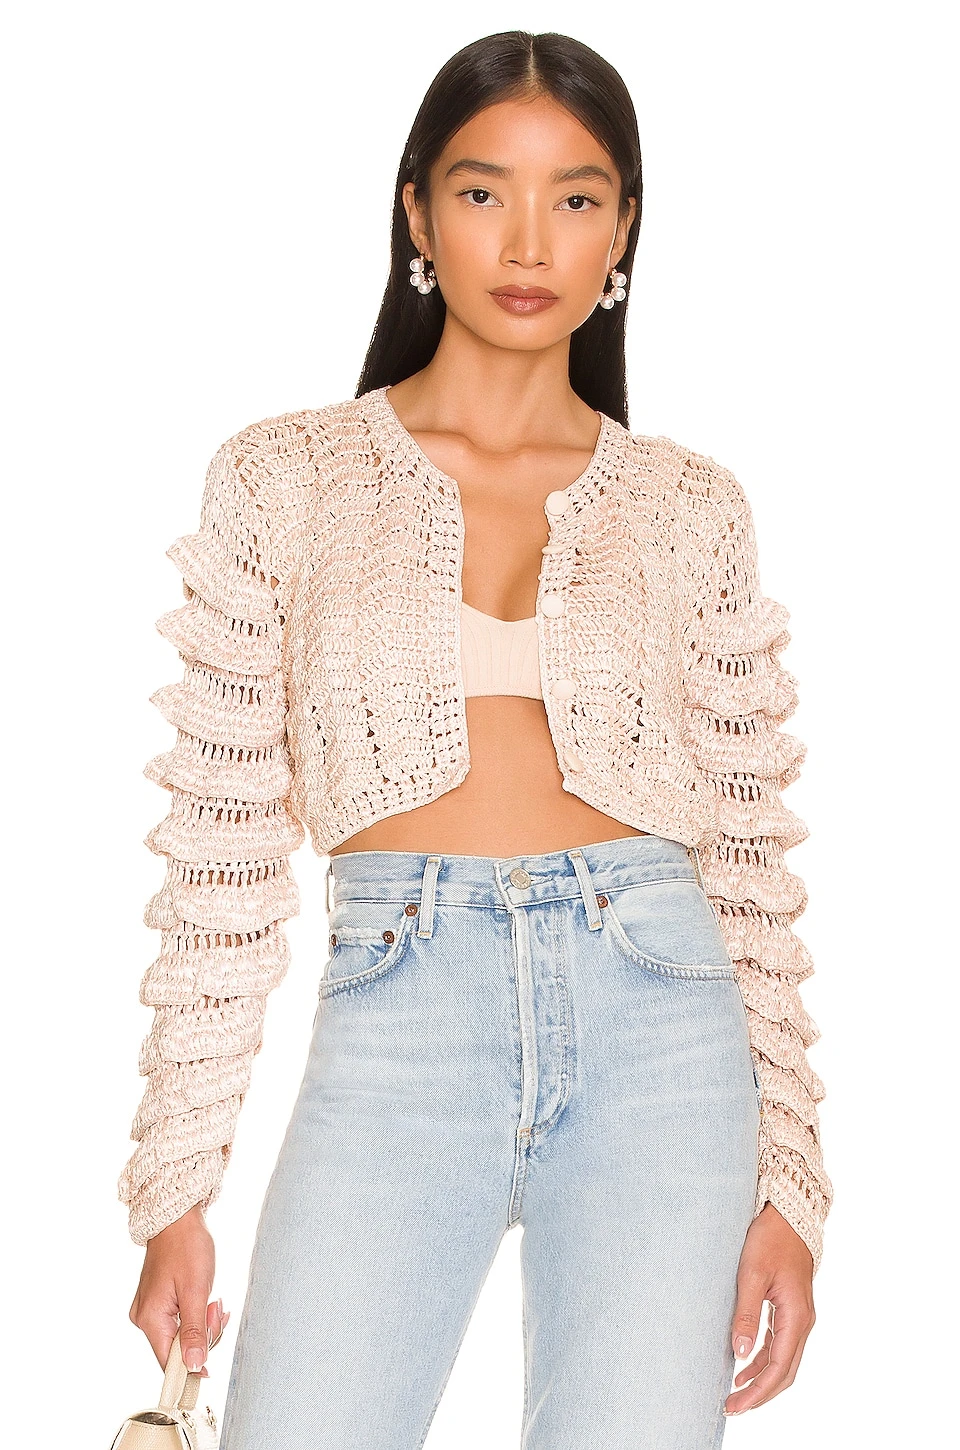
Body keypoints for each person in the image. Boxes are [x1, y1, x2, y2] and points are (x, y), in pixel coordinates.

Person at [120, 30, 833, 1448]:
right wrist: (177, 1188)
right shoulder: (284, 479)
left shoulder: (690, 507)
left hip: (661, 1017)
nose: (527, 240)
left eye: (576, 197)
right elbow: (218, 857)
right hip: (399, 1007)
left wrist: (792, 1185)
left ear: (623, 229)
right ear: (417, 212)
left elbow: (750, 867)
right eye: (482, 190)